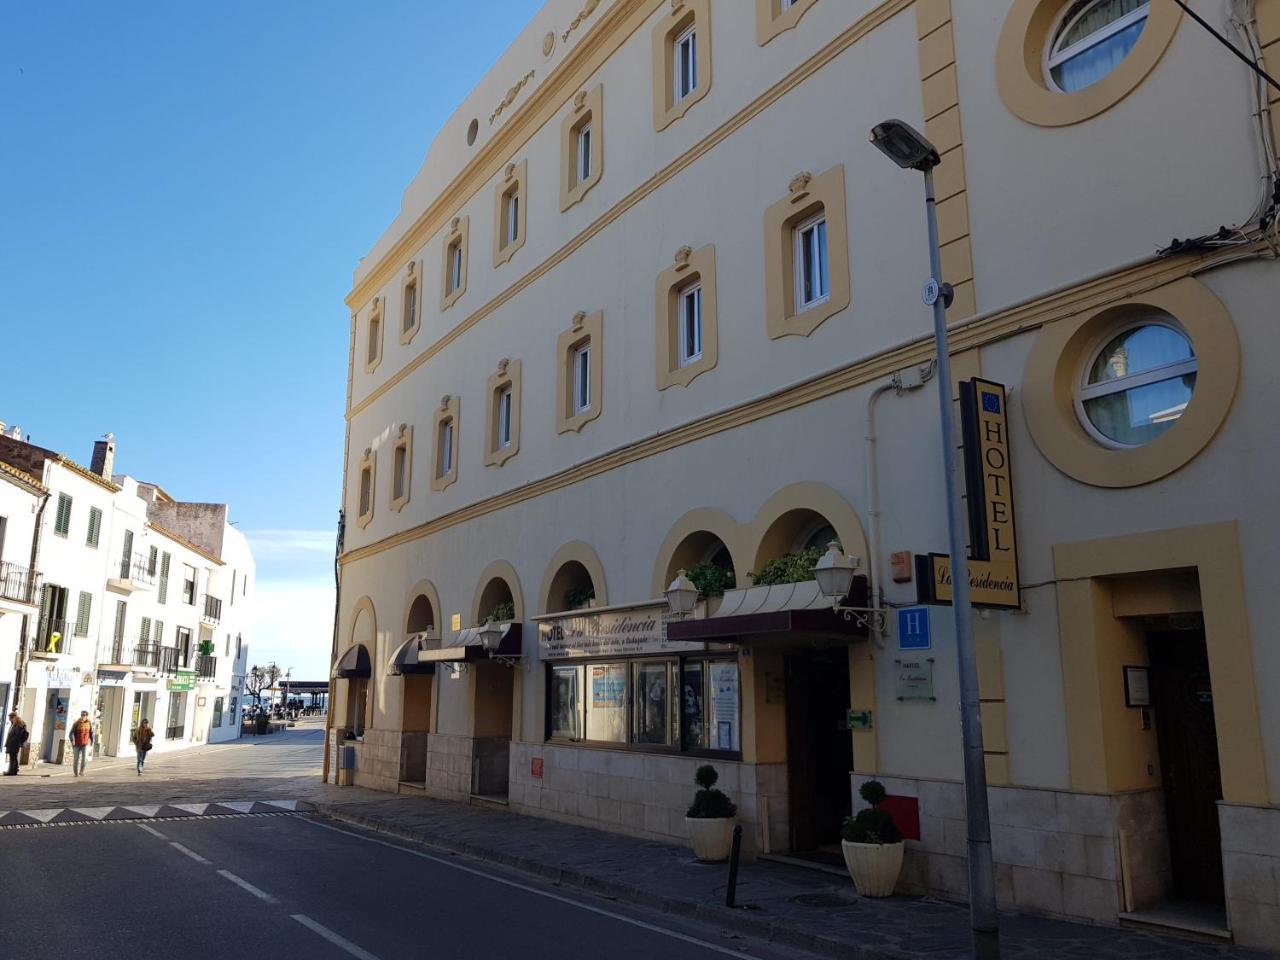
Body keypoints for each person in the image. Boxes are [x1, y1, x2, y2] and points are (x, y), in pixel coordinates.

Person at [68, 710, 93, 777]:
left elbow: (91, 733)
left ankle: (81, 771)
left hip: (85, 744)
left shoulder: (89, 723)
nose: (82, 716)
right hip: (76, 744)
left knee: (84, 758)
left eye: (84, 715)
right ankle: (75, 773)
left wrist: (92, 742)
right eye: (82, 715)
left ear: (86, 716)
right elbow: (71, 733)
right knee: (76, 759)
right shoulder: (76, 723)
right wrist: (72, 740)